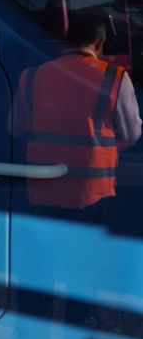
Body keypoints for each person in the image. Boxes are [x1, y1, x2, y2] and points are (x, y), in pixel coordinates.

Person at [16, 11, 141, 211]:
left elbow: (15, 128)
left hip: (44, 187)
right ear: (99, 44)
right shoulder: (114, 77)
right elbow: (131, 134)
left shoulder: (30, 76)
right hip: (92, 191)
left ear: (64, 42)